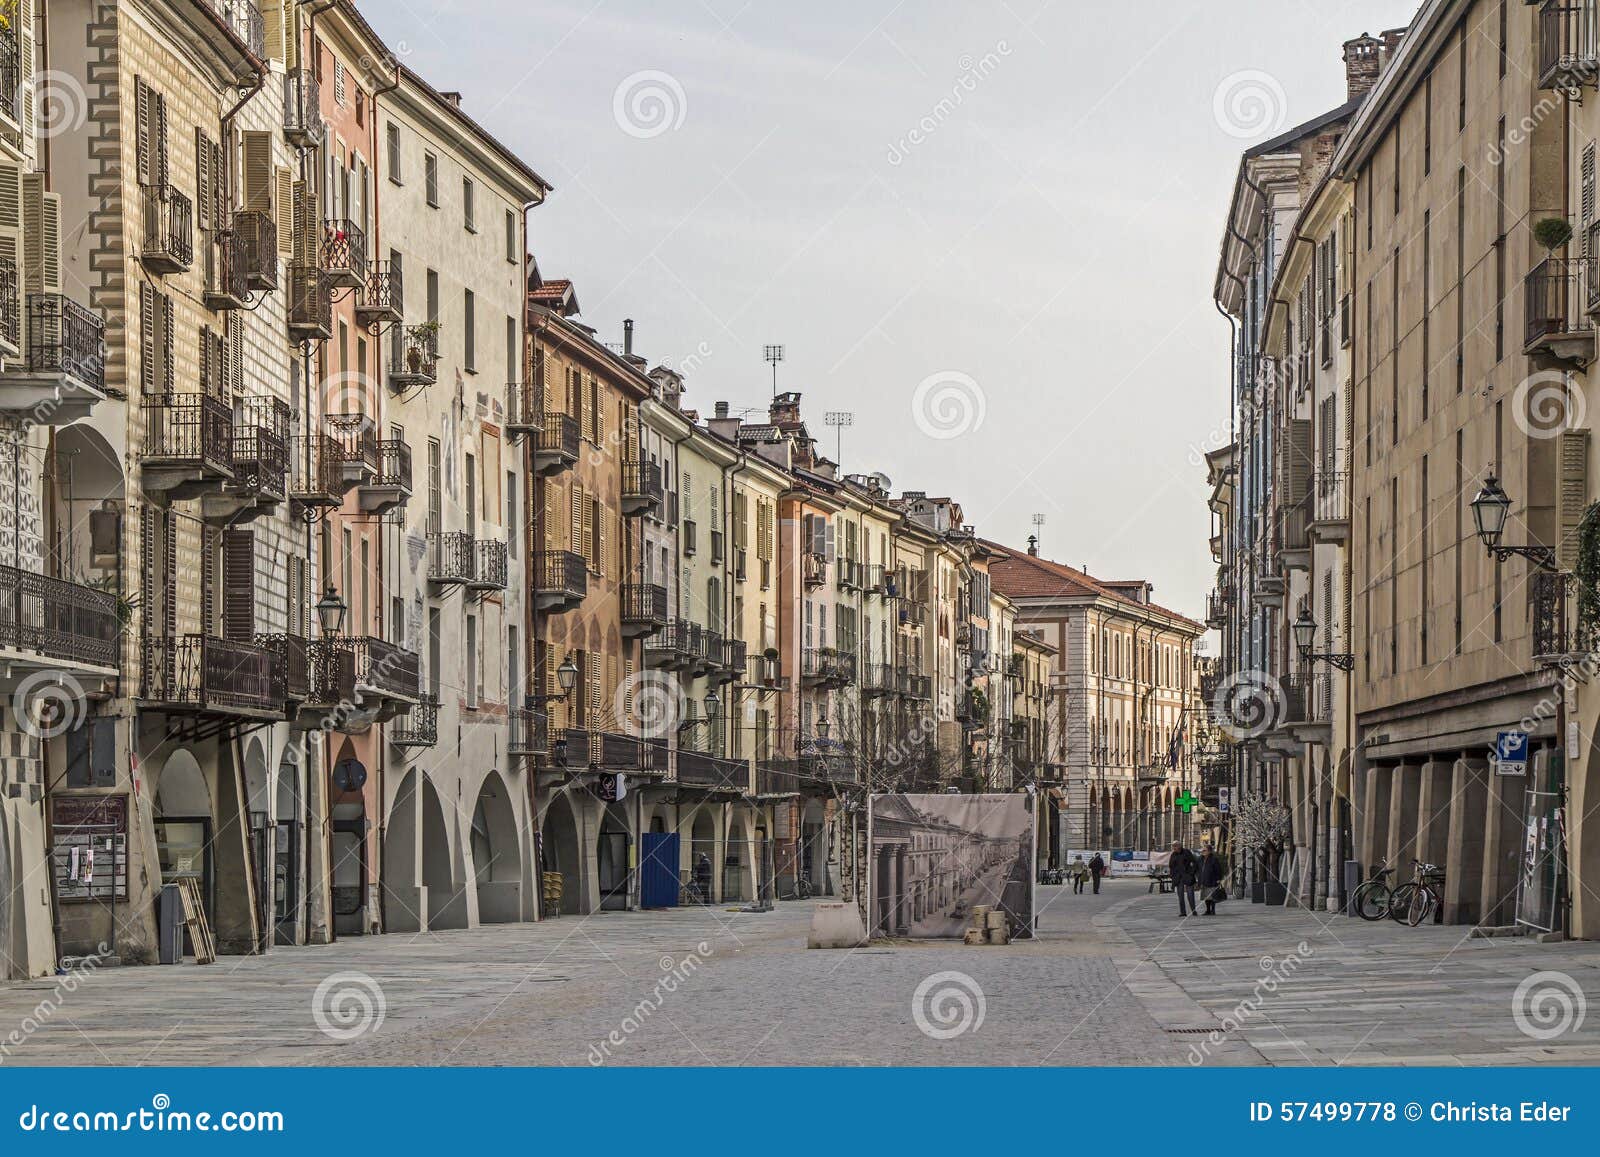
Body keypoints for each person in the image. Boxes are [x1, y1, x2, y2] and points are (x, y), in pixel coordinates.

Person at [1169, 841, 1199, 917]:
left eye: (1175, 846)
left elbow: (1194, 863)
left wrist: (1191, 873)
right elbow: (1171, 866)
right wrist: (1173, 875)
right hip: (1179, 878)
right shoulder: (1173, 855)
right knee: (1180, 895)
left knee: (1190, 895)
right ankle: (1183, 912)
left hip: (1188, 876)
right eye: (1173, 846)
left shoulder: (1186, 852)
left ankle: (1193, 910)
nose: (1174, 847)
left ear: (1179, 846)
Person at [1199, 844, 1225, 915]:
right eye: (1202, 850)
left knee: (1212, 896)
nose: (1203, 851)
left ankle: (1213, 910)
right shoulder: (1201, 859)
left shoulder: (1214, 859)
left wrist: (1219, 879)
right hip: (1204, 880)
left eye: (1205, 850)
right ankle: (1208, 910)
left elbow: (1218, 870)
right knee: (1206, 896)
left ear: (1209, 851)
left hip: (1212, 880)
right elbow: (1199, 869)